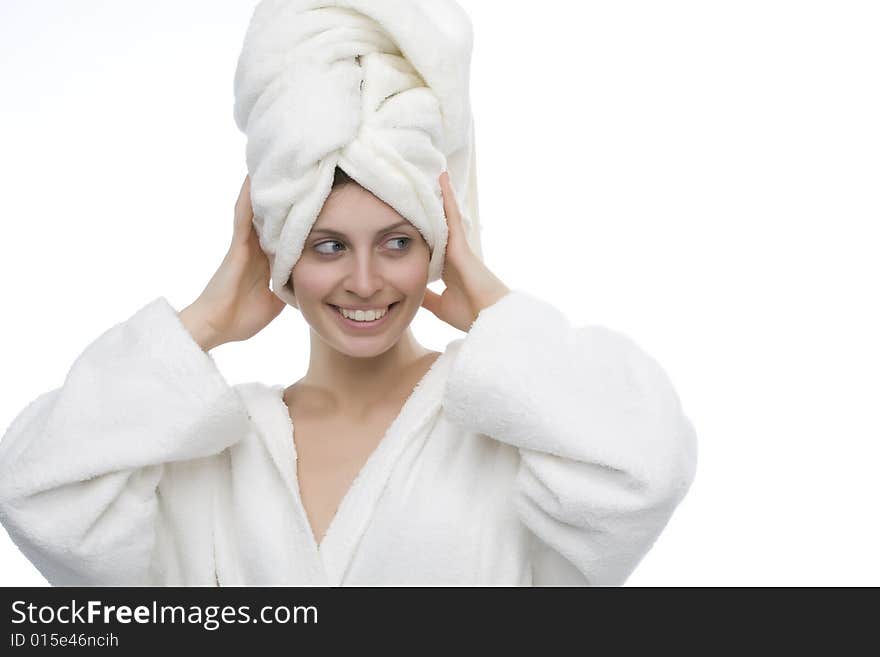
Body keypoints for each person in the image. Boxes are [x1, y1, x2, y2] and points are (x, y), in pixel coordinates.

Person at [0, 165, 698, 586]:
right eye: (327, 245)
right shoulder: (215, 455)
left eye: (397, 241)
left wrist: (493, 305)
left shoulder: (507, 431)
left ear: (439, 249)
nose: (364, 282)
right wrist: (206, 319)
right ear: (278, 260)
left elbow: (645, 469)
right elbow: (41, 495)